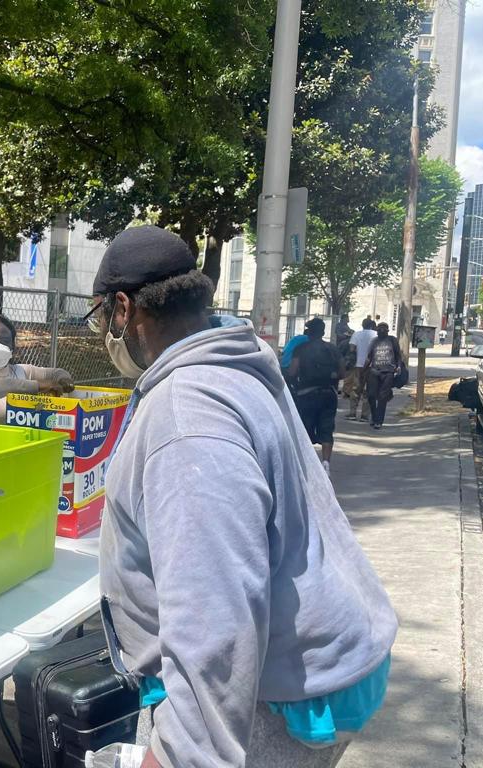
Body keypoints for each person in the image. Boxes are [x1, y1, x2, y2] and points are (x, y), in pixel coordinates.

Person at [92, 226, 396, 767]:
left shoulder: (187, 415)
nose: (102, 333)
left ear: (123, 309)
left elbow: (215, 614)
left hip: (276, 701)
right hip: (322, 664)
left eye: (100, 317)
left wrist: (180, 753)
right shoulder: (238, 365)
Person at [0, 314, 74, 423]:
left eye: (5, 341)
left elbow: (57, 373)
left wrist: (64, 380)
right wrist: (37, 386)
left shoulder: (21, 371)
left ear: (12, 344)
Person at [287, 318, 345, 474]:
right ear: (323, 332)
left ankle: (306, 464)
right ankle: (326, 463)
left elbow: (292, 371)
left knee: (304, 429)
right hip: (329, 394)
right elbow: (342, 373)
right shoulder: (333, 349)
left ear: (308, 332)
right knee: (327, 429)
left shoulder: (300, 349)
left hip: (306, 395)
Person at [362, 322, 403, 430]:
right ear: (377, 331)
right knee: (371, 395)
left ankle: (378, 421)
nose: (381, 331)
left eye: (384, 329)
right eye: (379, 329)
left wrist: (399, 366)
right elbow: (369, 357)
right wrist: (363, 370)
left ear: (387, 331)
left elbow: (398, 355)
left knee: (382, 397)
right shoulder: (374, 341)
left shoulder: (392, 340)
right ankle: (374, 416)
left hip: (388, 372)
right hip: (374, 371)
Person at [346, 319, 379, 422]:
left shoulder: (356, 334)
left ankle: (352, 413)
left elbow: (352, 349)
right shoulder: (376, 335)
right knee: (368, 390)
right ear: (372, 325)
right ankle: (365, 415)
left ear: (362, 325)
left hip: (358, 365)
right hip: (371, 366)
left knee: (355, 389)